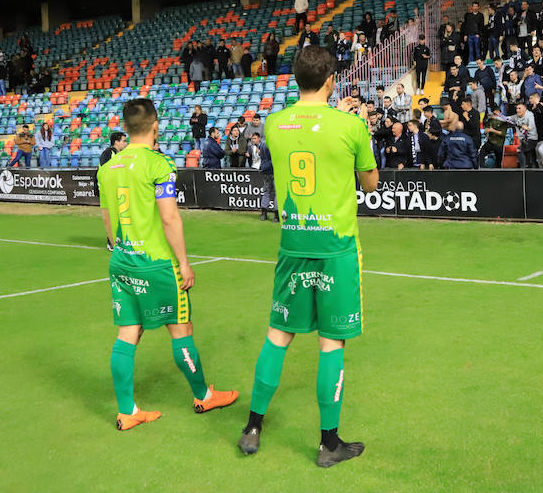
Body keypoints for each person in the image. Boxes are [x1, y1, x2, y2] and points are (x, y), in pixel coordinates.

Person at [237, 45, 379, 467]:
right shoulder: (350, 125)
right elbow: (370, 185)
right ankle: (328, 443)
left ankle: (252, 427)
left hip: (293, 245)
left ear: (295, 78)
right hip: (334, 247)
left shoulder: (275, 123)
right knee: (331, 342)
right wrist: (362, 129)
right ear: (332, 79)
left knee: (278, 335)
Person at [97, 98, 237, 431]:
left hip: (122, 261)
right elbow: (170, 216)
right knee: (181, 329)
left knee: (128, 332)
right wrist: (185, 263)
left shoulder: (107, 169)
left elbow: (106, 219)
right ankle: (203, 394)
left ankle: (127, 410)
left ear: (126, 128)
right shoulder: (159, 165)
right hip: (156, 264)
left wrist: (123, 249)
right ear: (155, 125)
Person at [251, 133, 277, 221]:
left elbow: (263, 158)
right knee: (276, 193)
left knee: (266, 192)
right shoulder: (272, 145)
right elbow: (273, 159)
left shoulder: (262, 145)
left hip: (265, 171)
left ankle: (264, 214)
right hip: (273, 171)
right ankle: (276, 216)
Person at [513, 101, 538, 168]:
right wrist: (498, 116)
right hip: (523, 140)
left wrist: (527, 128)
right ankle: (526, 168)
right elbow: (506, 118)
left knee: (520, 150)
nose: (517, 110)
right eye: (517, 108)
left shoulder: (530, 115)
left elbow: (531, 126)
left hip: (532, 139)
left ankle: (523, 168)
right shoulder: (515, 117)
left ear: (525, 109)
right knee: (527, 156)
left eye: (519, 108)